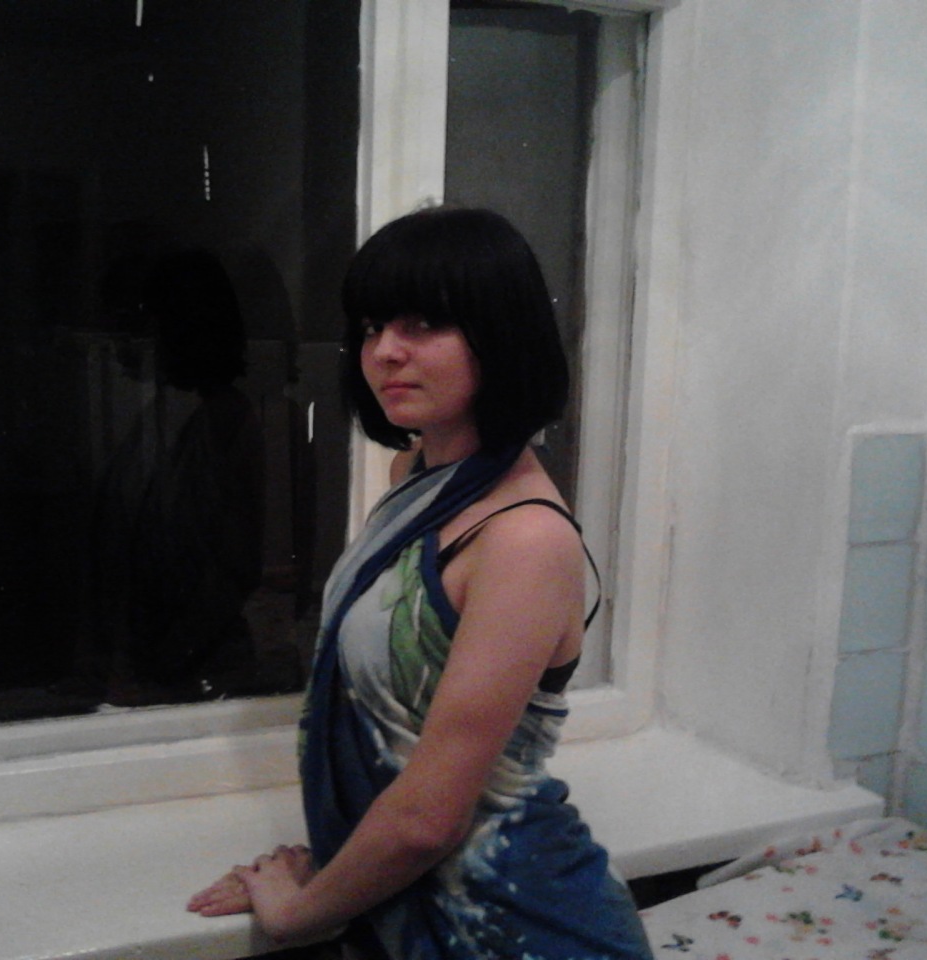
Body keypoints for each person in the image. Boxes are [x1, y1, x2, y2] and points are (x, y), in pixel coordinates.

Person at [187, 207, 653, 959]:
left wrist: (297, 914)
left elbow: (428, 820)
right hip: (404, 902)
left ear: (501, 334)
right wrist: (335, 869)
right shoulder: (417, 477)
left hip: (512, 925)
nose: (384, 352)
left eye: (423, 324)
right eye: (373, 326)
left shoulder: (524, 538)